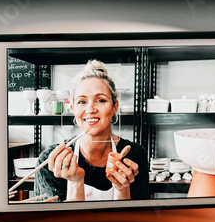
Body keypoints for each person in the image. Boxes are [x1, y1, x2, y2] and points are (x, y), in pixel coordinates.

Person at [33, 60, 149, 201]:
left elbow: (135, 221)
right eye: (82, 102)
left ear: (114, 107)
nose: (90, 110)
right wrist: (75, 182)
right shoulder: (51, 161)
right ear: (73, 108)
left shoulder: (134, 155)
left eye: (100, 100)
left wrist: (122, 188)